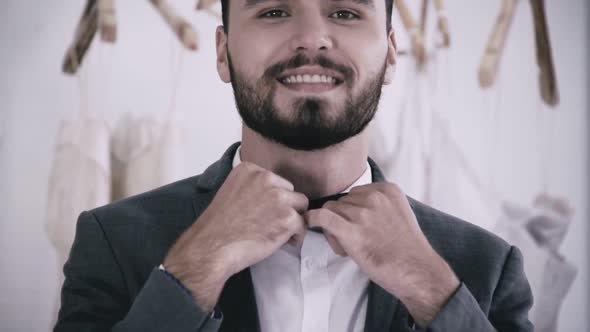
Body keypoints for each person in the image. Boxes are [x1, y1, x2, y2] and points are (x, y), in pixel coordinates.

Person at [54, 0, 534, 331]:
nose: (312, 38)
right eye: (274, 10)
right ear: (223, 53)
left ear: (390, 53)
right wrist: (193, 270)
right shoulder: (112, 242)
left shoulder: (486, 268)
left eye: (345, 11)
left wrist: (433, 291)